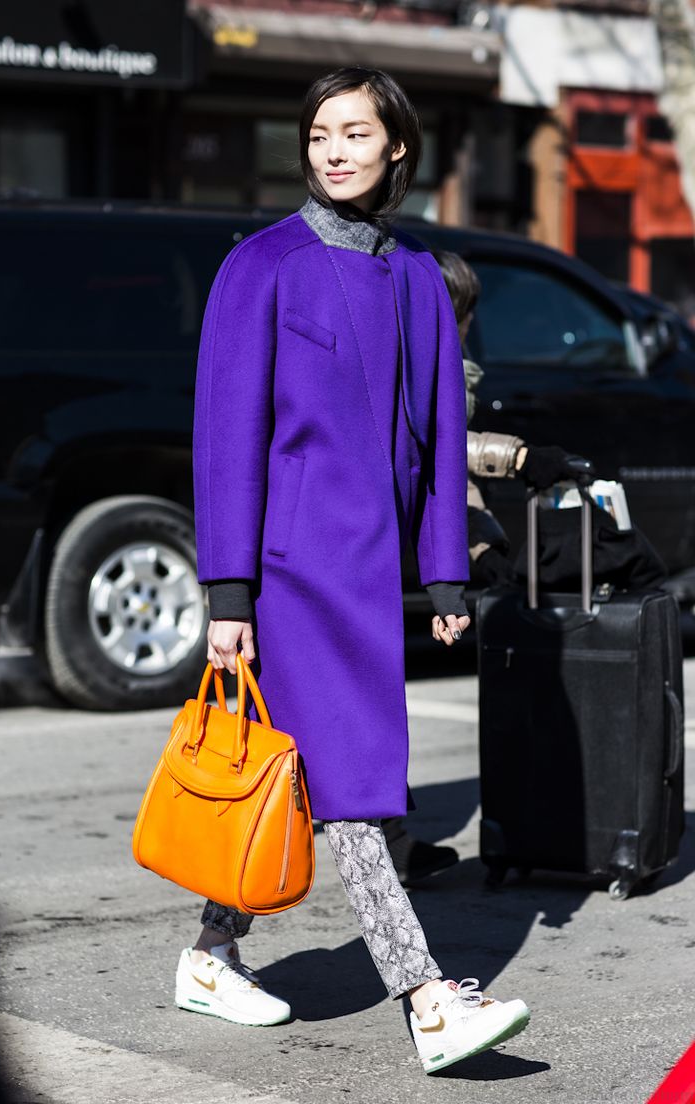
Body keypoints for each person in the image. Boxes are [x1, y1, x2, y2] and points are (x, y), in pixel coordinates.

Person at [183, 66, 530, 1074]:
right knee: (350, 789)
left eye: (355, 134)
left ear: (396, 151)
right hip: (289, 576)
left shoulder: (420, 279)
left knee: (300, 780)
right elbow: (228, 436)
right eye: (319, 134)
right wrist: (228, 594)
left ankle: (211, 953)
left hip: (371, 581)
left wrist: (446, 577)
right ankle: (427, 1000)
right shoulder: (260, 267)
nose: (333, 151)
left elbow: (435, 440)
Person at [383, 251, 594, 885]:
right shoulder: (407, 356)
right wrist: (521, 456)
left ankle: (384, 842)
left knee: (363, 710)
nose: (461, 327)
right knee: (344, 711)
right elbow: (429, 444)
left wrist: (482, 547)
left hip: (373, 548)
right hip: (340, 552)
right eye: (456, 314)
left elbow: (451, 482)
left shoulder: (447, 362)